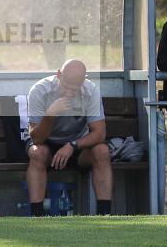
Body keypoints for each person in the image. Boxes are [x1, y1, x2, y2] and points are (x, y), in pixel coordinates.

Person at [26, 59, 112, 216]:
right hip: (46, 143)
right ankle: (37, 216)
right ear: (59, 75)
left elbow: (99, 133)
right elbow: (36, 138)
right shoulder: (39, 90)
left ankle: (104, 214)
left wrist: (72, 145)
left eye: (75, 88)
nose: (70, 93)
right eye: (66, 87)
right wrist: (50, 114)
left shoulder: (91, 90)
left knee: (102, 151)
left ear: (84, 80)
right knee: (37, 153)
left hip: (77, 144)